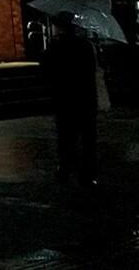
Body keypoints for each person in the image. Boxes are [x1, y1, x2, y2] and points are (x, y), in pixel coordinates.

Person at [41, 12, 98, 186]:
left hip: (63, 98)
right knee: (87, 137)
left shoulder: (55, 47)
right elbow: (91, 70)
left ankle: (66, 168)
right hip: (85, 97)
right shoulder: (85, 45)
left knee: (66, 136)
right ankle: (87, 173)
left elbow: (46, 71)